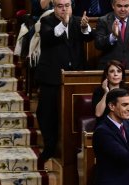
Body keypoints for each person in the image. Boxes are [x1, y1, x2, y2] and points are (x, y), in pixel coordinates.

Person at [35, 0, 94, 162]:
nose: (64, 9)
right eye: (60, 6)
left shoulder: (77, 21)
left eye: (67, 6)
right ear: (54, 7)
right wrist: (64, 24)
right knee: (46, 114)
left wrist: (83, 27)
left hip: (75, 76)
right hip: (51, 77)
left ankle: (69, 149)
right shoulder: (46, 21)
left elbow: (89, 38)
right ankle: (49, 146)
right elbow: (48, 38)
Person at [94, 0, 129, 69]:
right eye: (119, 6)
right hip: (110, 68)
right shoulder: (103, 20)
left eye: (126, 6)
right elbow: (98, 44)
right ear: (113, 6)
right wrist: (113, 36)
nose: (123, 9)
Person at [92, 60, 129, 125]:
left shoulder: (127, 90)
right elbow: (98, 114)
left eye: (119, 71)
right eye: (112, 71)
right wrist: (106, 92)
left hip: (124, 125)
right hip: (105, 126)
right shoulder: (99, 91)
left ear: (122, 76)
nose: (115, 74)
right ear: (107, 75)